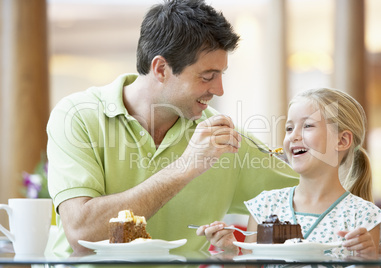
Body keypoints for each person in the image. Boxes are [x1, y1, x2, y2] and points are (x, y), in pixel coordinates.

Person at [46, 0, 299, 255]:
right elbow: (81, 233)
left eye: (221, 75)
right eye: (207, 76)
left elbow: (313, 190)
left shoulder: (223, 140)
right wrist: (185, 167)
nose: (219, 89)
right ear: (161, 69)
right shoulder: (77, 117)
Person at [197, 88, 381, 258]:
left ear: (341, 141)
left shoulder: (365, 216)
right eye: (289, 128)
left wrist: (367, 259)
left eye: (307, 126)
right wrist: (230, 253)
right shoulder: (264, 206)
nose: (293, 136)